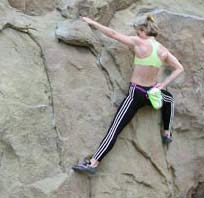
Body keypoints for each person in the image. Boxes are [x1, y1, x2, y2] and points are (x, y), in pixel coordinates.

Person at [72, 15, 184, 174]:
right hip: (151, 94)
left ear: (143, 30)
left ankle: (93, 163)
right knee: (169, 99)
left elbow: (113, 34)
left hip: (135, 94)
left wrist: (93, 22)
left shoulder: (139, 42)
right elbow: (180, 68)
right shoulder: (163, 51)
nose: (136, 34)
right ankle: (167, 132)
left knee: (114, 130)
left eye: (138, 31)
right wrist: (163, 85)